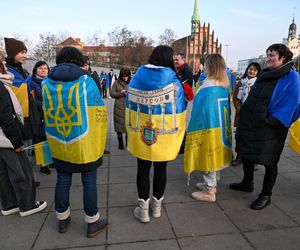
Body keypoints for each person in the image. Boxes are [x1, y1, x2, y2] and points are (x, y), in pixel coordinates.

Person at [43, 47, 108, 237]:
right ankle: (92, 222)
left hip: (59, 141)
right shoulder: (86, 80)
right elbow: (99, 113)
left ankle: (62, 220)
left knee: (62, 180)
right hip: (85, 142)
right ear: (79, 60)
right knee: (89, 181)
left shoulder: (47, 82)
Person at [230, 44, 300, 210]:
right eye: (267, 55)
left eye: (272, 56)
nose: (268, 58)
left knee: (270, 160)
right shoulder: (265, 74)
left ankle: (266, 195)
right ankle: (247, 183)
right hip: (251, 122)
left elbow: (294, 103)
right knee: (246, 152)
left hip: (271, 127)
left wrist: (272, 120)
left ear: (283, 57)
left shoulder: (291, 77)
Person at [126, 45, 186, 223]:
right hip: (164, 132)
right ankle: (157, 208)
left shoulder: (138, 76)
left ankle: (143, 210)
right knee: (161, 169)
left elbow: (129, 100)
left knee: (142, 169)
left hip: (141, 130)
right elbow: (181, 108)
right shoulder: (173, 80)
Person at [0, 59, 47, 217]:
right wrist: (16, 141)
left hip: (2, 138)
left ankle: (9, 204)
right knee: (21, 171)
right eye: (3, 64)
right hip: (7, 138)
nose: (6, 66)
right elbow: (6, 117)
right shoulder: (1, 87)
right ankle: (27, 205)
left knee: (4, 173)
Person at [184, 54, 232, 202]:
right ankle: (211, 183)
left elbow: (200, 111)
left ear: (210, 66)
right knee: (216, 156)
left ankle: (210, 191)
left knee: (207, 156)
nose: (203, 66)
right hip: (221, 128)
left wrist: (192, 128)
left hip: (208, 127)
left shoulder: (208, 87)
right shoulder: (222, 85)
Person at [4, 37, 41, 187]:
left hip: (28, 115)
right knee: (21, 152)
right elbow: (14, 90)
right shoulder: (7, 71)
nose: (25, 56)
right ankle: (25, 183)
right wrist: (29, 81)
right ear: (13, 53)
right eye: (22, 52)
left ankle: (29, 179)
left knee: (27, 149)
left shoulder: (21, 69)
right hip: (18, 117)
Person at [231, 62, 261, 166]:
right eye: (250, 69)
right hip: (241, 113)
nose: (252, 71)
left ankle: (252, 160)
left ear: (257, 72)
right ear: (247, 70)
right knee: (240, 136)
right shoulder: (241, 82)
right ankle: (239, 157)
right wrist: (239, 109)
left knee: (251, 137)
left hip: (253, 114)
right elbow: (235, 97)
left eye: (255, 70)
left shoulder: (258, 83)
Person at [30, 61, 51, 175]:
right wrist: (45, 106)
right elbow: (32, 99)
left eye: (45, 68)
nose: (43, 70)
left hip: (51, 115)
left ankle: (50, 160)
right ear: (35, 70)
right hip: (39, 115)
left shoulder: (51, 82)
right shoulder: (31, 83)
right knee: (41, 140)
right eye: (40, 68)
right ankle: (43, 164)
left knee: (50, 139)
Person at [174, 52, 194, 154]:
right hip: (176, 99)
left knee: (180, 121)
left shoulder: (187, 71)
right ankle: (179, 143)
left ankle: (183, 145)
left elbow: (187, 87)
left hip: (182, 100)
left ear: (183, 59)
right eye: (174, 60)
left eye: (177, 60)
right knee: (177, 121)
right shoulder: (177, 69)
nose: (175, 61)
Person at [110, 67, 131, 150]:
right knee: (118, 127)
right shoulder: (116, 83)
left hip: (128, 107)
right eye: (124, 76)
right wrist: (120, 93)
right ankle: (120, 144)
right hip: (118, 107)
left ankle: (128, 144)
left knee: (128, 128)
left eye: (127, 76)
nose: (125, 78)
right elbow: (112, 94)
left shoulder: (132, 82)